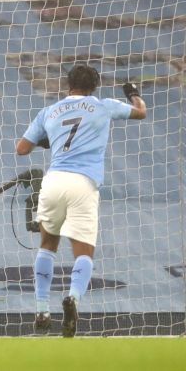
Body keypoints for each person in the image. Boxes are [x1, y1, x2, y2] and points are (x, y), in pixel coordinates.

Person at [16, 64, 146, 337]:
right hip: (83, 183)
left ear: (68, 84)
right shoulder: (104, 106)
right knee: (83, 253)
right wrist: (133, 94)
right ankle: (73, 298)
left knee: (47, 245)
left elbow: (22, 148)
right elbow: (141, 113)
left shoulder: (49, 111)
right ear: (95, 86)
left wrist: (47, 140)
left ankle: (41, 309)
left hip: (54, 181)